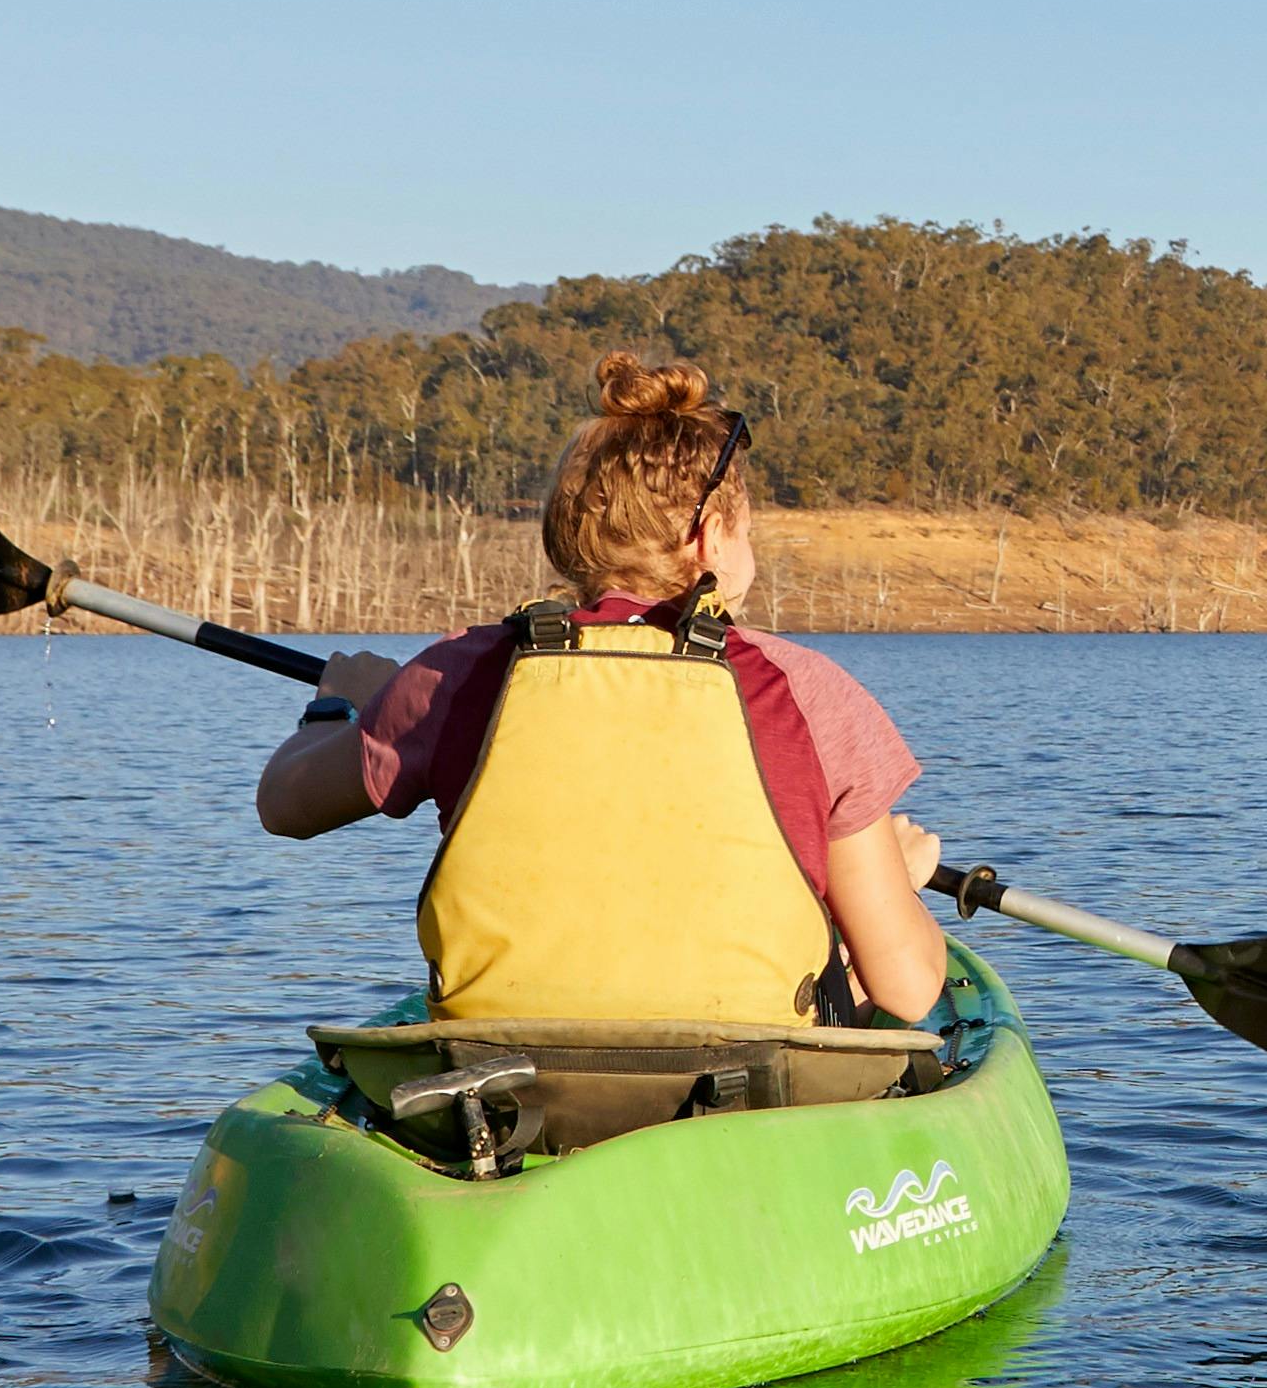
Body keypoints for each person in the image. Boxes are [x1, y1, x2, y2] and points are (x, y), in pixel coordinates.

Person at [254, 357, 958, 1027]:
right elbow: (907, 986)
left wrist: (341, 706)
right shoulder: (808, 690)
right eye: (747, 534)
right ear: (712, 538)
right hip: (749, 1065)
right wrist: (898, 882)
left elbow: (285, 805)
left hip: (505, 1065)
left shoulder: (452, 675)